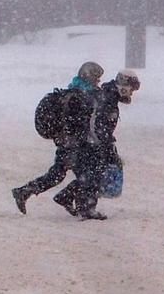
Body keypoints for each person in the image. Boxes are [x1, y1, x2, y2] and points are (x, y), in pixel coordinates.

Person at [12, 61, 103, 215]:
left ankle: (25, 192)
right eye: (96, 78)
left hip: (67, 143)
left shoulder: (75, 92)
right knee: (88, 176)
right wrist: (85, 142)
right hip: (72, 144)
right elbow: (77, 124)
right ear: (89, 77)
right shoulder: (78, 96)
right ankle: (84, 207)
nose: (98, 82)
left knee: (59, 175)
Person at [62, 70, 141, 220]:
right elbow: (98, 124)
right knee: (96, 174)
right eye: (132, 89)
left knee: (92, 174)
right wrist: (103, 144)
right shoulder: (108, 98)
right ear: (124, 85)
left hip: (91, 141)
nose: (131, 94)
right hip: (92, 142)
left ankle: (73, 200)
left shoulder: (108, 94)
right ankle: (86, 208)